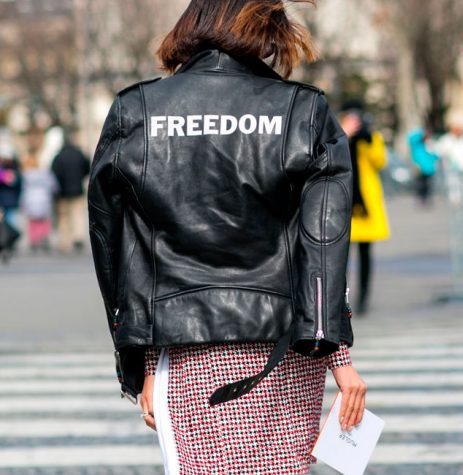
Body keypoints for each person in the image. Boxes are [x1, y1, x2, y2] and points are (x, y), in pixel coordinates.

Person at [87, 1, 366, 474]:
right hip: (282, 354)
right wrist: (332, 350)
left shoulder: (136, 110)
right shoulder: (302, 110)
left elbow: (112, 240)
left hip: (181, 354)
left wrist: (138, 360)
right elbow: (321, 241)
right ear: (266, 31)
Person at [340, 105, 390, 314]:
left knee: (365, 256)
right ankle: (341, 300)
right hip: (344, 205)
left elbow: (380, 161)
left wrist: (367, 139)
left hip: (364, 208)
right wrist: (345, 136)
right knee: (340, 260)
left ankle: (363, 299)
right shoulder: (338, 134)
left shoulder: (370, 138)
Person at [51, 137, 90, 253]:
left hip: (62, 193)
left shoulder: (58, 157)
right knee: (78, 215)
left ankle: (65, 243)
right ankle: (78, 237)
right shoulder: (80, 155)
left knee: (64, 218)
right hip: (78, 190)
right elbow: (87, 168)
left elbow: (53, 173)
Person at [21, 155, 58, 252]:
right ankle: (44, 237)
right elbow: (54, 186)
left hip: (30, 200)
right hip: (44, 199)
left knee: (33, 222)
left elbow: (23, 190)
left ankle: (34, 240)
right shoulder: (45, 174)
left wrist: (22, 203)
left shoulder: (26, 176)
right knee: (44, 221)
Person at [408, 127, 440, 206]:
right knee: (420, 184)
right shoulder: (416, 144)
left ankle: (426, 198)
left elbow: (435, 155)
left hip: (429, 168)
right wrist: (421, 133)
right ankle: (421, 198)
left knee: (428, 185)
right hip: (420, 167)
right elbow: (411, 138)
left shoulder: (428, 144)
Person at [0, 143, 23, 233]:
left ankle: (8, 238)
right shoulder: (13, 168)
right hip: (6, 198)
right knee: (7, 220)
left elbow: (17, 182)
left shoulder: (14, 168)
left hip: (9, 198)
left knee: (10, 220)